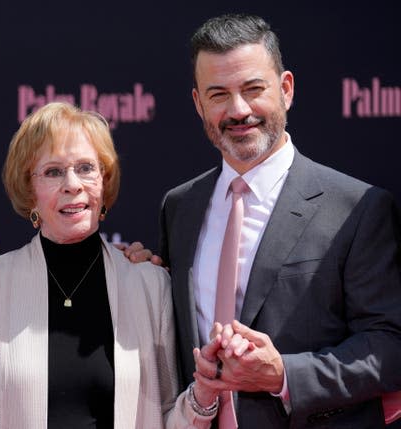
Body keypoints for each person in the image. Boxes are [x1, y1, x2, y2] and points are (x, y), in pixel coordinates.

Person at [159, 13, 401, 428]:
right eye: (218, 95)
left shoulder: (358, 208)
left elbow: (391, 346)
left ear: (285, 89)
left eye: (253, 89)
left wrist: (284, 375)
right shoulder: (179, 207)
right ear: (199, 104)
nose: (238, 110)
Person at [0, 101, 246, 428]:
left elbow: (168, 419)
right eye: (53, 172)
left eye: (86, 168)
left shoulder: (149, 285)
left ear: (104, 181)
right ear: (29, 189)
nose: (72, 184)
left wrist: (203, 395)